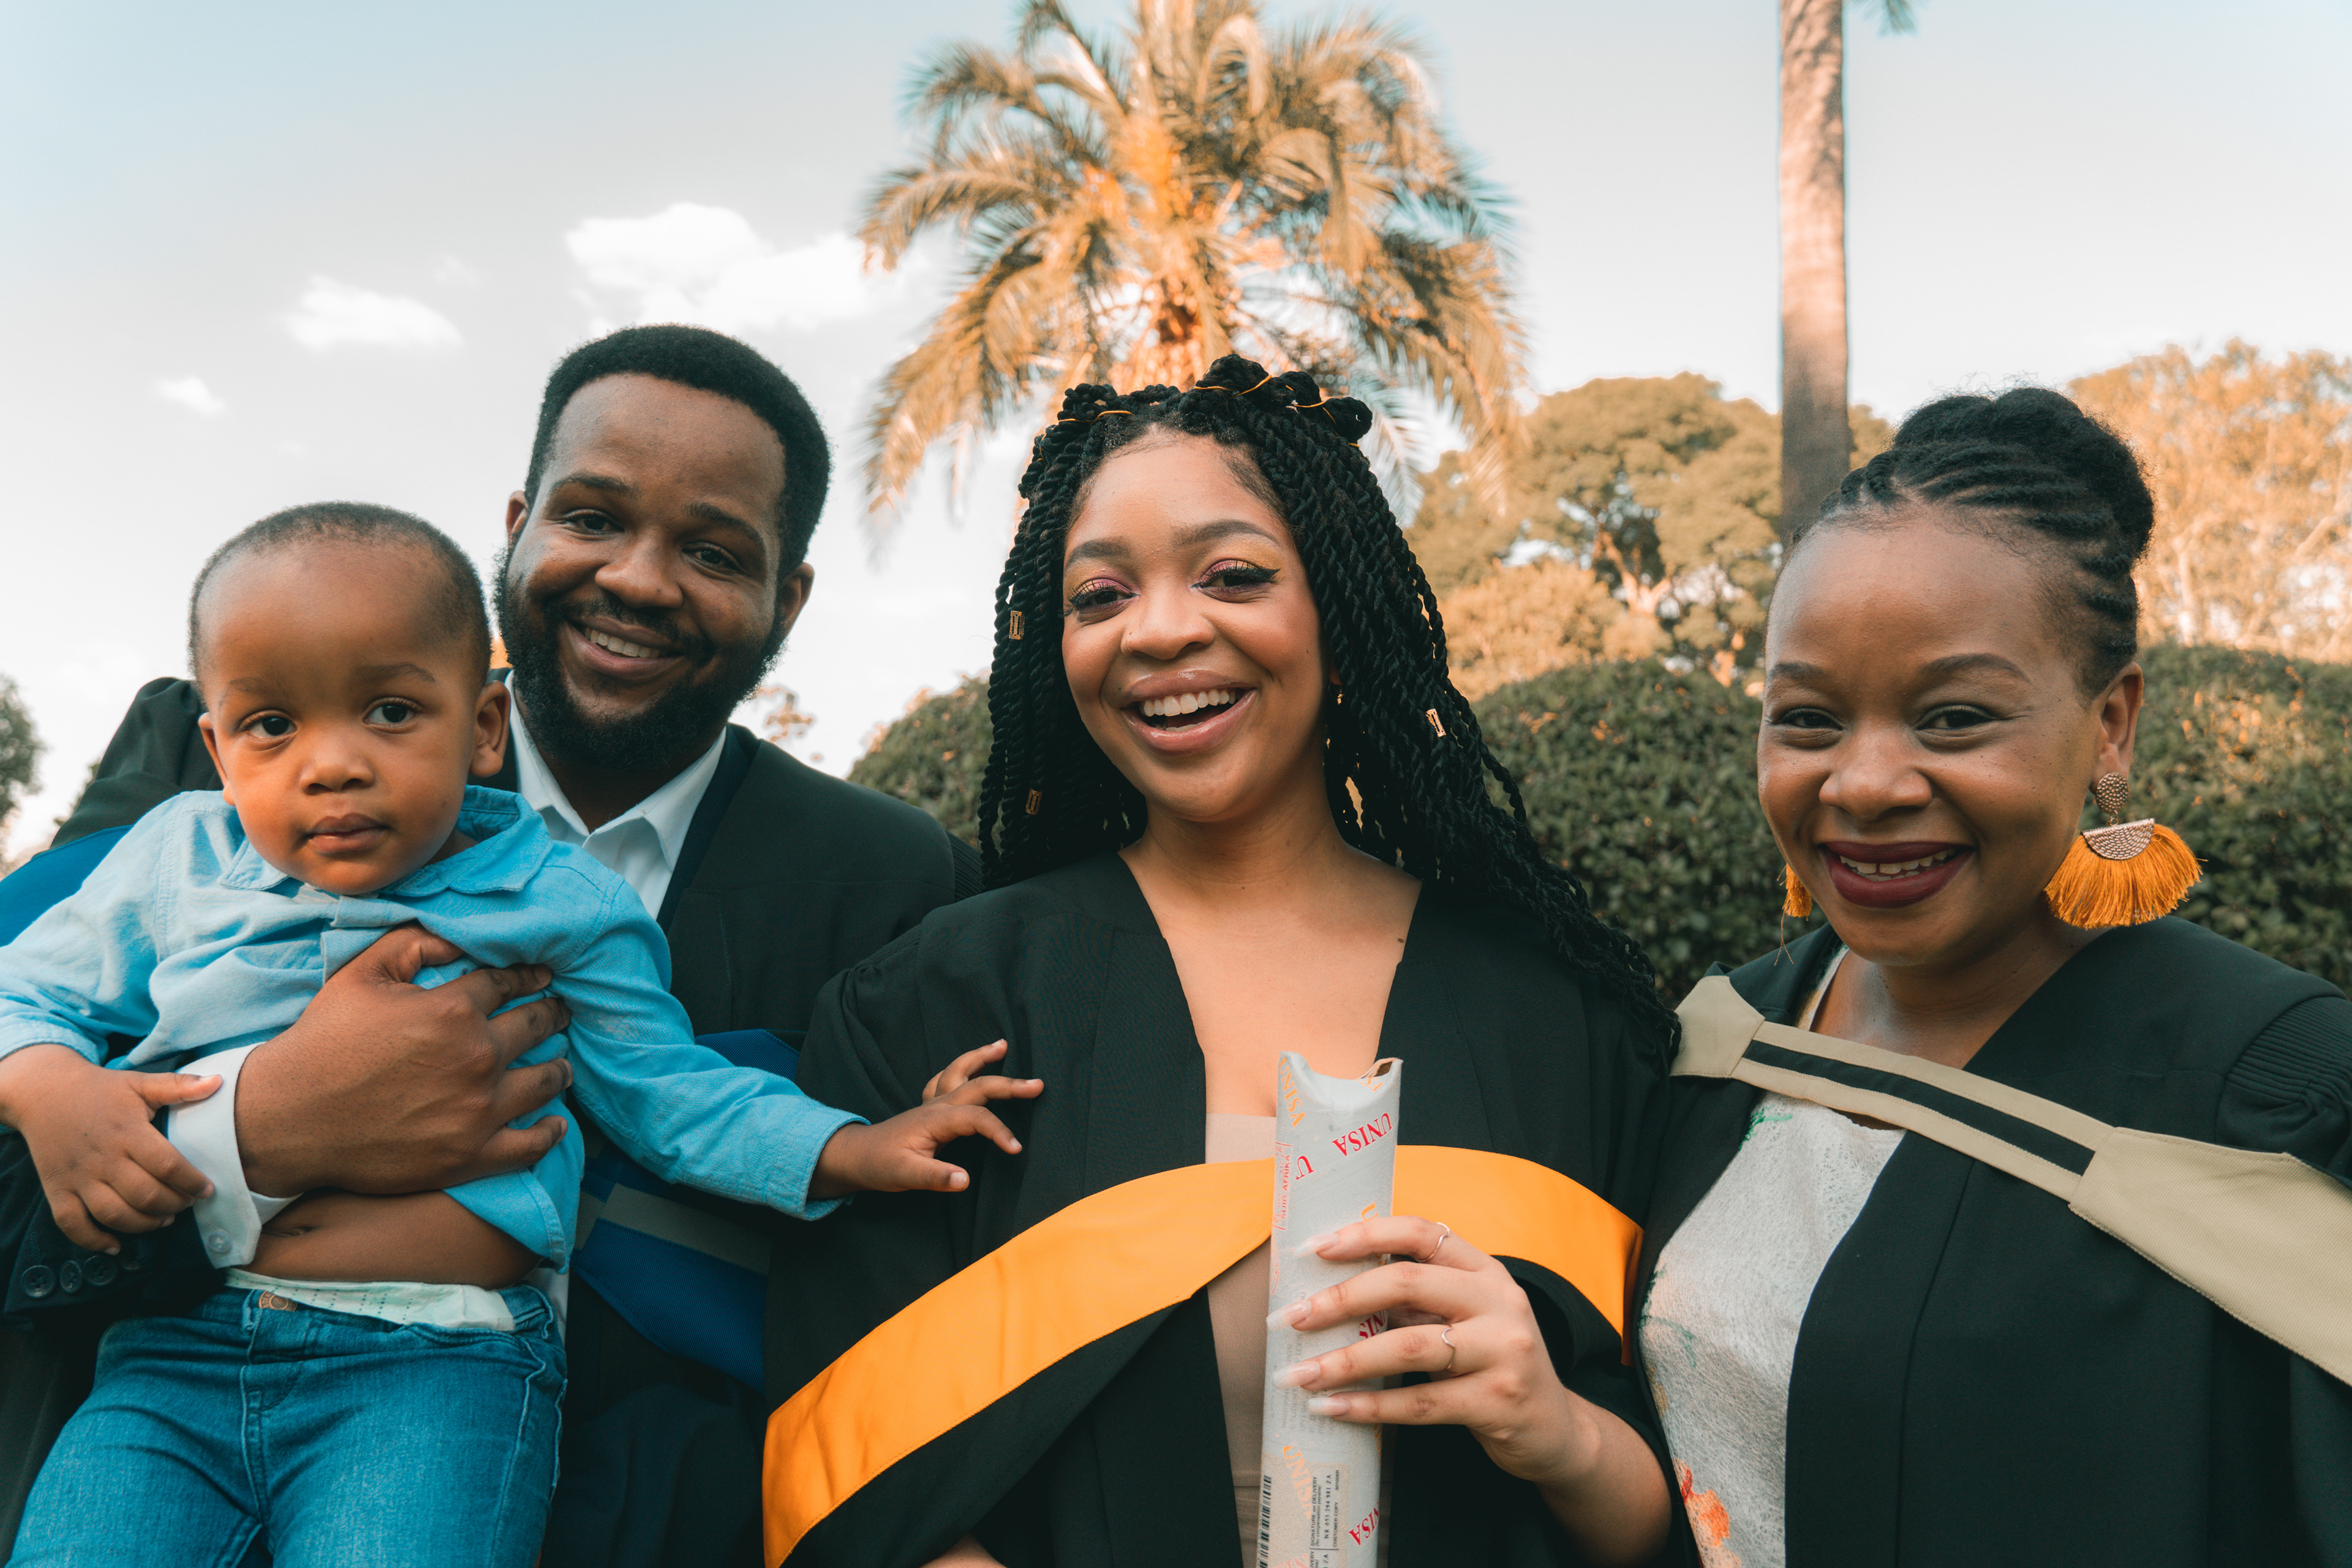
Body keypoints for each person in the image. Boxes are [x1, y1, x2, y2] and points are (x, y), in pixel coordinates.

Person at [0, 324, 978, 1566]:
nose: (640, 579)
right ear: (519, 526)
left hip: (511, 1428)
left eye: (714, 549)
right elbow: (26, 1055)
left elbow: (709, 1120)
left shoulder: (897, 880)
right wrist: (253, 1129)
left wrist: (851, 1148)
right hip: (168, 1383)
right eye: (592, 517)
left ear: (787, 597)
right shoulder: (191, 823)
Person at [763, 358, 1681, 1568]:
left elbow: (1681, 1510)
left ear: (1337, 613)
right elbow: (844, 1487)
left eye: (1234, 575)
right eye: (1101, 595)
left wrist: (1556, 1430)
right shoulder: (942, 1004)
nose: (1158, 630)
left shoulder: (1559, 1023)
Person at [1634, 390, 2352, 1567]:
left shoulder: (2272, 1095)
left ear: (2110, 725)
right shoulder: (1722, 1044)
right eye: (1807, 718)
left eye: (1954, 717)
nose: (1864, 784)